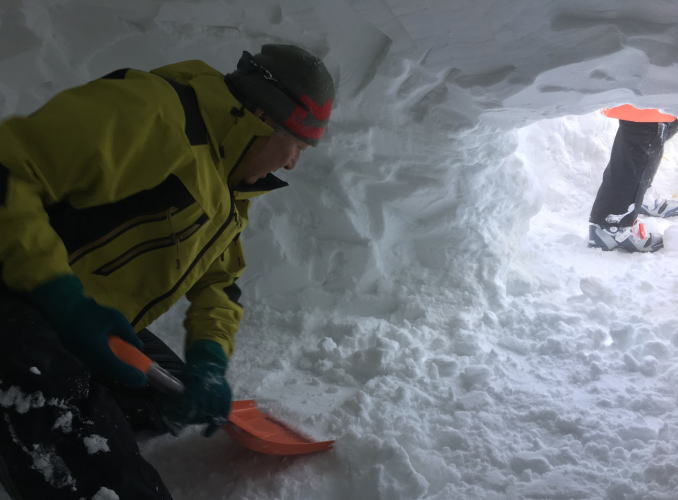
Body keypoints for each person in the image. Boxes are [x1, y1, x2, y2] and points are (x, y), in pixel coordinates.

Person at [0, 44, 334, 499]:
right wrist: (63, 299)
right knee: (101, 472)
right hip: (19, 303)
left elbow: (219, 282)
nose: (293, 162)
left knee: (171, 397)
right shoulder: (151, 114)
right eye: (295, 144)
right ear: (260, 116)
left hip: (74, 317)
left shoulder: (226, 181)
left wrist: (210, 361)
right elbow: (7, 167)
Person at [588, 105, 678, 252]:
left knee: (665, 121)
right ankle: (612, 226)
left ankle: (637, 196)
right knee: (645, 129)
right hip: (648, 92)